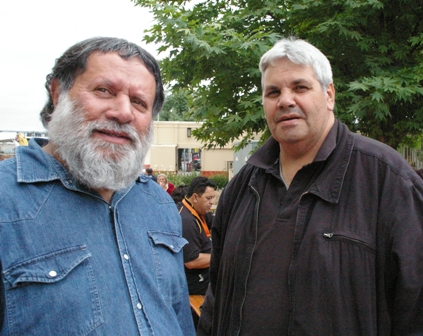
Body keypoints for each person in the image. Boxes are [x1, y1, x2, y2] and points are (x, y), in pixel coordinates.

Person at [198, 37, 423, 335]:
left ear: (329, 95)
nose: (286, 100)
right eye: (273, 92)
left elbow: (415, 308)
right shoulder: (242, 186)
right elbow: (216, 301)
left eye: (300, 87)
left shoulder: (388, 181)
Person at [0, 37, 195, 335]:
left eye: (139, 102)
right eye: (104, 91)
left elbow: (178, 316)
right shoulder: (6, 201)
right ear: (57, 93)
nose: (123, 112)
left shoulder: (157, 202)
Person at [179, 176, 216, 296]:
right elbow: (191, 261)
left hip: (203, 271)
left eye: (213, 198)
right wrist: (224, 256)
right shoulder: (186, 220)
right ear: (195, 197)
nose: (212, 202)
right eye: (208, 198)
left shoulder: (199, 211)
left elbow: (220, 223)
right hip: (194, 280)